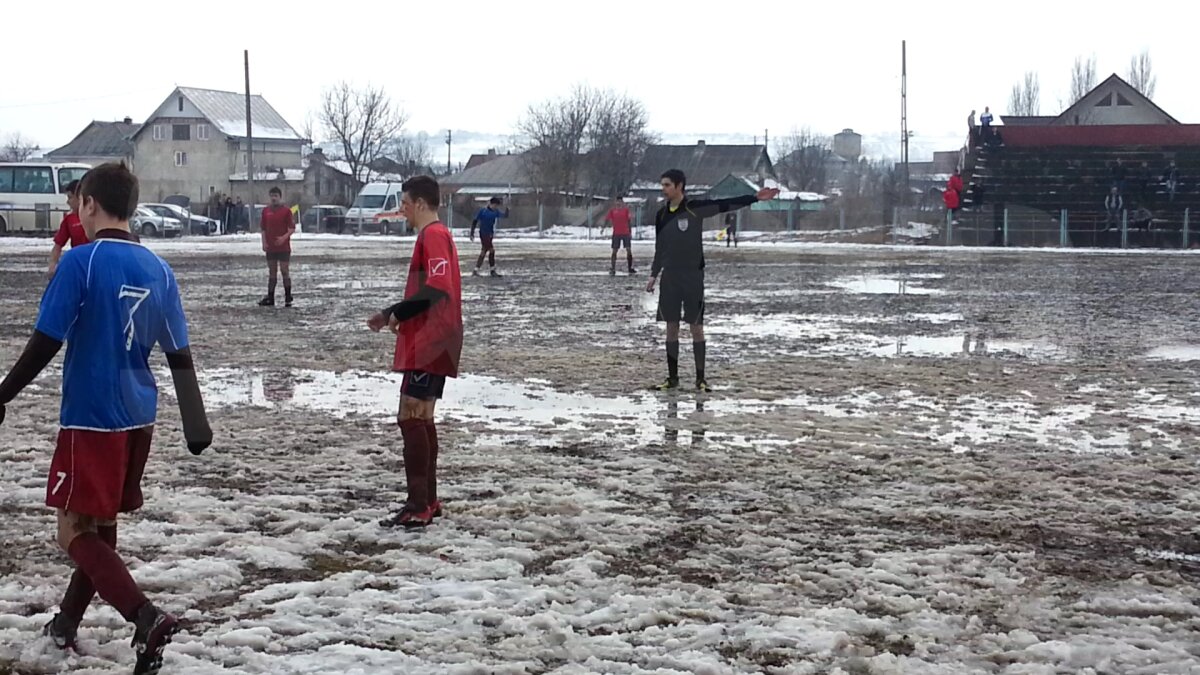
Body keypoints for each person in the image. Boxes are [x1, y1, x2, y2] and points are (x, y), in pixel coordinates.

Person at [0, 162, 211, 675]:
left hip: (91, 415)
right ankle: (66, 624)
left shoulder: (82, 263)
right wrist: (194, 420)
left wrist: (2, 392)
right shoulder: (159, 269)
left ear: (90, 204)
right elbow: (178, 351)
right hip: (139, 415)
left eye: (79, 203)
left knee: (72, 532)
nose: (77, 210)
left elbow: (47, 339)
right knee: (102, 524)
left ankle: (145, 616)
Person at [367, 176, 462, 528]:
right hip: (437, 337)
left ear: (421, 203)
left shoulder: (434, 235)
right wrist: (395, 312)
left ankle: (418, 504)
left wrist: (397, 312)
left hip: (431, 339)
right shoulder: (440, 235)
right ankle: (428, 501)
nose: (402, 210)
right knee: (421, 416)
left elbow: (437, 287)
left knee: (410, 416)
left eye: (405, 203)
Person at [645, 169, 778, 392]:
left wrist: (753, 198)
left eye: (667, 185)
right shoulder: (661, 215)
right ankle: (673, 378)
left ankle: (700, 379)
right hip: (670, 277)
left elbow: (725, 204)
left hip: (693, 277)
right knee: (671, 327)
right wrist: (653, 274)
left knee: (696, 327)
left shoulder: (695, 209)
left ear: (679, 186)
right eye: (662, 185)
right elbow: (661, 248)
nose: (663, 189)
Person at [258, 187, 295, 307]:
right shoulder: (266, 211)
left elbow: (292, 228)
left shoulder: (286, 211)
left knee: (284, 271)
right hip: (271, 247)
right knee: (272, 271)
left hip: (283, 247)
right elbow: (263, 229)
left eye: (276, 196)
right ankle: (270, 296)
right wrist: (264, 242)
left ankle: (288, 296)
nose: (273, 198)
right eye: (272, 196)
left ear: (280, 197)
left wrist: (283, 238)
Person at [48, 180, 88, 278]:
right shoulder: (69, 219)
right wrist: (53, 264)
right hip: (77, 266)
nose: (67, 202)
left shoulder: (95, 216)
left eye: (70, 197)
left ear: (80, 198)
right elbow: (58, 245)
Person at [470, 197, 508, 277]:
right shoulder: (483, 211)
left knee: (484, 251)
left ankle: (476, 270)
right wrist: (472, 233)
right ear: (491, 204)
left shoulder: (495, 212)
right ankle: (492, 270)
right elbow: (475, 221)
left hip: (490, 234)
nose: (496, 207)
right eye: (495, 205)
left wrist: (508, 209)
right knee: (491, 250)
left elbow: (505, 216)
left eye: (497, 206)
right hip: (484, 234)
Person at [602, 198, 636, 274]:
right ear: (615, 202)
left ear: (622, 202)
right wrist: (603, 228)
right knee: (614, 250)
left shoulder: (625, 210)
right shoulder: (612, 211)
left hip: (625, 233)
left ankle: (630, 268)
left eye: (620, 202)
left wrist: (630, 231)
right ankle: (613, 268)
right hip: (616, 233)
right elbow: (607, 219)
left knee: (628, 249)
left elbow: (629, 221)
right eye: (617, 201)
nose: (618, 203)